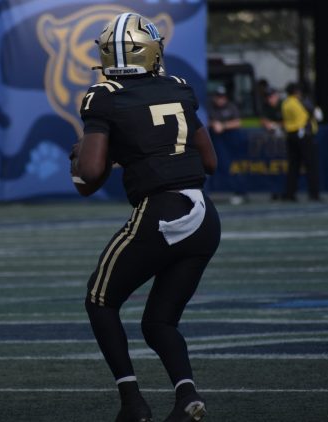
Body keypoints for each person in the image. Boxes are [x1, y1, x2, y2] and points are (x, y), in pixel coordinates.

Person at [70, 13, 220, 422]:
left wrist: (84, 154)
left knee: (99, 301)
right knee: (159, 322)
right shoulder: (179, 87)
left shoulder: (103, 96)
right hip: (204, 216)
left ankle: (132, 403)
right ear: (152, 51)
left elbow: (89, 175)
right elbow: (209, 161)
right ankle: (187, 396)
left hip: (162, 212)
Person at [281, 82, 320, 201]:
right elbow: (314, 116)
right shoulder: (300, 102)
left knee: (293, 166)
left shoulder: (285, 103)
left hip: (290, 135)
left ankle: (290, 193)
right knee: (311, 164)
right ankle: (314, 194)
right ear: (296, 92)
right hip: (303, 135)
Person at [208, 85, 245, 205]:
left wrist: (223, 126)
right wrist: (214, 124)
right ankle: (208, 193)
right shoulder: (211, 107)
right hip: (216, 142)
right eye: (218, 97)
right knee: (214, 166)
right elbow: (206, 121)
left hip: (231, 141)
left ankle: (239, 193)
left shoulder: (231, 107)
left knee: (233, 166)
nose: (220, 99)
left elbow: (238, 122)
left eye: (222, 97)